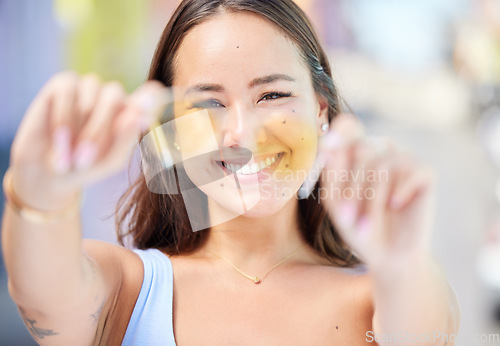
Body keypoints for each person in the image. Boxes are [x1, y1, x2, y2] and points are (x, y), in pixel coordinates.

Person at [2, 0, 460, 344]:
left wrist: (400, 263)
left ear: (321, 110)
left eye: (273, 96)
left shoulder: (384, 296)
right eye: (208, 104)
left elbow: (426, 330)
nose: (241, 134)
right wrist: (39, 192)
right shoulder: (128, 289)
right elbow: (42, 292)